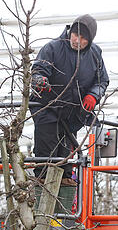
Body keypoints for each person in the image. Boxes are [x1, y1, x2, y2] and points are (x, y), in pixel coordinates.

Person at [30, 14, 109, 189]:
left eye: (83, 39)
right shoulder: (52, 48)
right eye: (75, 35)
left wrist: (93, 95)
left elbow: (101, 81)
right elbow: (37, 70)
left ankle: (65, 189)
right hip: (47, 107)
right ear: (70, 32)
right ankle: (42, 186)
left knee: (66, 152)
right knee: (46, 151)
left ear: (89, 41)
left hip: (73, 114)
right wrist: (40, 81)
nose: (77, 41)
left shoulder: (95, 54)